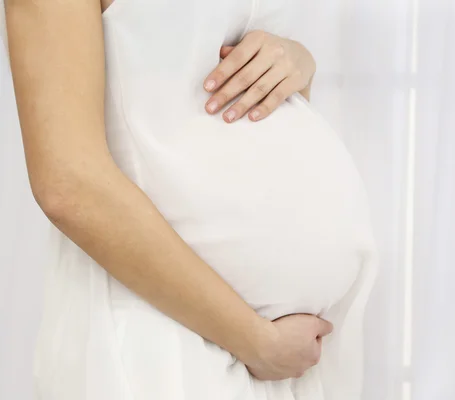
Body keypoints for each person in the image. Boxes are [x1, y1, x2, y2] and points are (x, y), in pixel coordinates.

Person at [2, 0, 378, 398]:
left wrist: (297, 64)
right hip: (158, 341)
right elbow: (68, 183)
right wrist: (256, 342)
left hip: (276, 358)